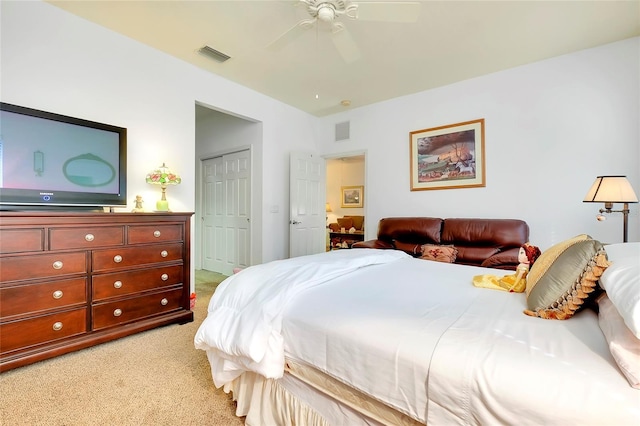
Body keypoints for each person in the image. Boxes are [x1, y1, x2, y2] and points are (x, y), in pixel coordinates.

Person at [472, 243, 542, 293]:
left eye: (521, 253)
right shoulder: (525, 265)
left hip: (518, 285)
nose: (518, 255)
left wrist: (512, 287)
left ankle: (483, 280)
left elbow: (518, 279)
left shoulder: (523, 269)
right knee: (499, 279)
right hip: (517, 280)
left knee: (498, 282)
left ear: (528, 256)